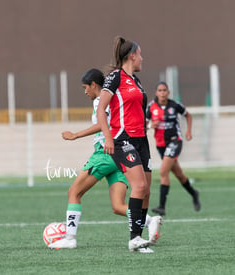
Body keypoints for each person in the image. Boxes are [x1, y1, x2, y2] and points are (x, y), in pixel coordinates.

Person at [48, 69, 162, 253]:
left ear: (94, 85)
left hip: (105, 153)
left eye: (85, 87)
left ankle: (70, 238)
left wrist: (76, 135)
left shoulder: (100, 100)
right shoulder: (117, 97)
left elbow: (105, 123)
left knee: (74, 192)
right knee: (118, 206)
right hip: (121, 155)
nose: (85, 91)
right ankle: (148, 221)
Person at [97, 36, 154, 252]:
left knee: (146, 190)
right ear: (132, 55)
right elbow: (101, 109)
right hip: (123, 140)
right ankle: (133, 238)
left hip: (142, 140)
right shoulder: (115, 78)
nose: (142, 58)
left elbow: (135, 110)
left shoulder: (136, 81)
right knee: (138, 186)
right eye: (140, 54)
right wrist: (108, 138)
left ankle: (139, 240)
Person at [146, 81, 200, 216]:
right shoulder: (151, 107)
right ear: (156, 93)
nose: (162, 93)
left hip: (175, 141)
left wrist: (188, 131)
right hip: (160, 145)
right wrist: (150, 125)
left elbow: (188, 115)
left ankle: (162, 207)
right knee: (179, 174)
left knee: (164, 171)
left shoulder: (175, 105)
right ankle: (194, 193)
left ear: (168, 92)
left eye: (164, 90)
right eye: (159, 90)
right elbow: (144, 123)